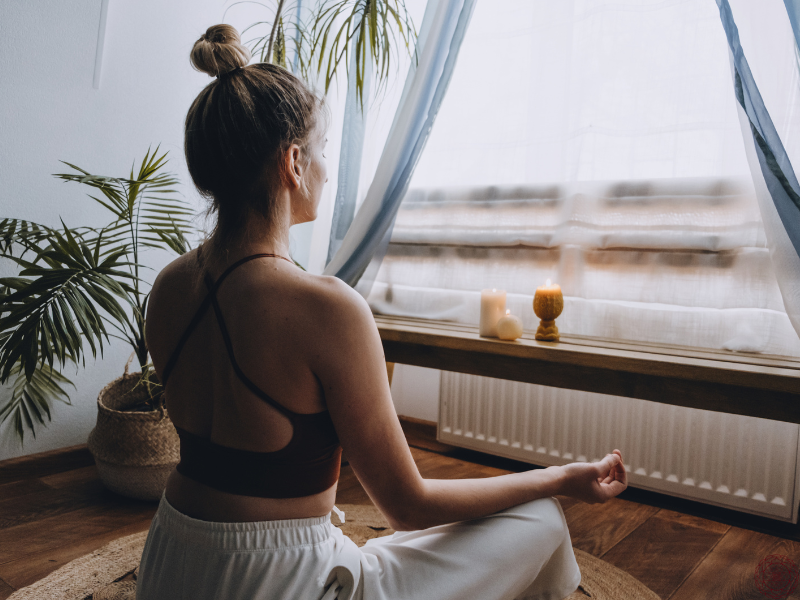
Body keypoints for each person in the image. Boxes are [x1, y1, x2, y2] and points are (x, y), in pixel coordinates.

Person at [136, 24, 628, 600]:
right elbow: (409, 506)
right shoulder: (327, 309)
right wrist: (561, 478)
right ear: (292, 162)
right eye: (320, 150)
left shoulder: (167, 288)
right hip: (277, 584)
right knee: (540, 518)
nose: (325, 166)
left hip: (170, 566)